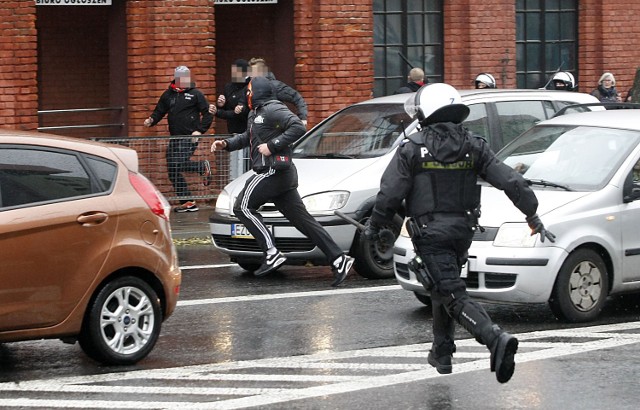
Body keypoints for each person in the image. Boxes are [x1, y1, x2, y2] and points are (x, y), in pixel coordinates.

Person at [363, 83, 555, 383]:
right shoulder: (475, 145)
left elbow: (389, 194)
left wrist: (375, 227)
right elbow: (512, 181)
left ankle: (494, 338)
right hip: (463, 231)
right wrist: (532, 214)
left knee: (451, 293)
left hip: (429, 233)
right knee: (442, 285)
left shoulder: (412, 148)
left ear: (427, 112)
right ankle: (443, 352)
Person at [210, 76, 354, 286]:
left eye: (249, 90)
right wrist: (226, 144)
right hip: (281, 175)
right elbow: (247, 137)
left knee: (242, 206)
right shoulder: (255, 113)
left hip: (273, 171)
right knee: (303, 221)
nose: (247, 94)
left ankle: (271, 252)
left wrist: (272, 145)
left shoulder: (272, 109)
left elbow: (297, 127)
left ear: (258, 92)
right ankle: (339, 259)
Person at [144, 66, 214, 213]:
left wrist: (199, 131)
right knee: (172, 170)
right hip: (175, 137)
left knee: (179, 163)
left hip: (189, 137)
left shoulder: (195, 94)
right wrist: (152, 120)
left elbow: (207, 113)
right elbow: (159, 111)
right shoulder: (168, 95)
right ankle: (187, 201)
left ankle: (202, 167)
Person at [248, 57, 309, 127]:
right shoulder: (250, 88)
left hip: (276, 128)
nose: (250, 75)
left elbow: (297, 98)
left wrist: (303, 119)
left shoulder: (275, 86)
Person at [210, 59, 250, 134]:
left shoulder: (250, 86)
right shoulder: (229, 87)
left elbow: (241, 113)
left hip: (248, 130)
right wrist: (220, 106)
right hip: (232, 130)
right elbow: (226, 110)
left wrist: (218, 112)